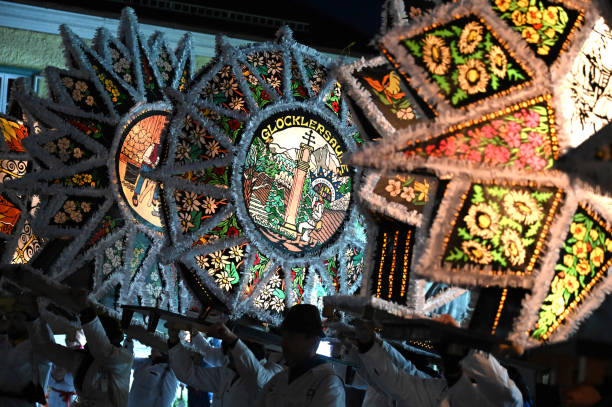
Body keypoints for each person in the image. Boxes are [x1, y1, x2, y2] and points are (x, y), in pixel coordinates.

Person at [347, 318, 523, 407]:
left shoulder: (499, 400)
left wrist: (464, 347)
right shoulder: (443, 388)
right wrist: (372, 345)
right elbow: (404, 381)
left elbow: (508, 393)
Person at [30, 291, 134, 407]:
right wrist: (33, 318)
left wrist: (86, 312)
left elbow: (102, 351)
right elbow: (46, 348)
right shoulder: (82, 358)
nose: (86, 334)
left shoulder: (123, 359)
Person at [167, 323, 283, 407]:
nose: (227, 362)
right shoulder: (227, 373)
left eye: (231, 357)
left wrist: (232, 340)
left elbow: (259, 379)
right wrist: (174, 342)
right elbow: (189, 374)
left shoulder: (274, 372)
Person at [254, 304, 345, 407]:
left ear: (313, 341)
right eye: (284, 337)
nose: (284, 344)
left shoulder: (329, 384)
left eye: (291, 338)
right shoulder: (278, 379)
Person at [0, 296, 48, 407]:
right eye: (9, 318)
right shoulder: (3, 342)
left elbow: (44, 339)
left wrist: (34, 316)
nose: (11, 322)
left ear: (28, 321)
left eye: (16, 318)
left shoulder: (38, 347)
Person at [47, 330, 84, 407]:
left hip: (75, 400)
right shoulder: (59, 354)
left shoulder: (85, 358)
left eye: (75, 341)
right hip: (56, 398)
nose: (72, 343)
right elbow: (51, 379)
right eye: (70, 339)